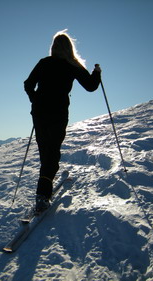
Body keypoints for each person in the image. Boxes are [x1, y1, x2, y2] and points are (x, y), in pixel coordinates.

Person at [24, 29, 101, 212]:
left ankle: (44, 188)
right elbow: (91, 86)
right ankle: (43, 194)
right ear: (69, 48)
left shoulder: (44, 63)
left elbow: (28, 84)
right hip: (58, 113)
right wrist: (97, 72)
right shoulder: (71, 65)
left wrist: (35, 99)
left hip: (40, 112)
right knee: (53, 152)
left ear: (53, 47)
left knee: (45, 151)